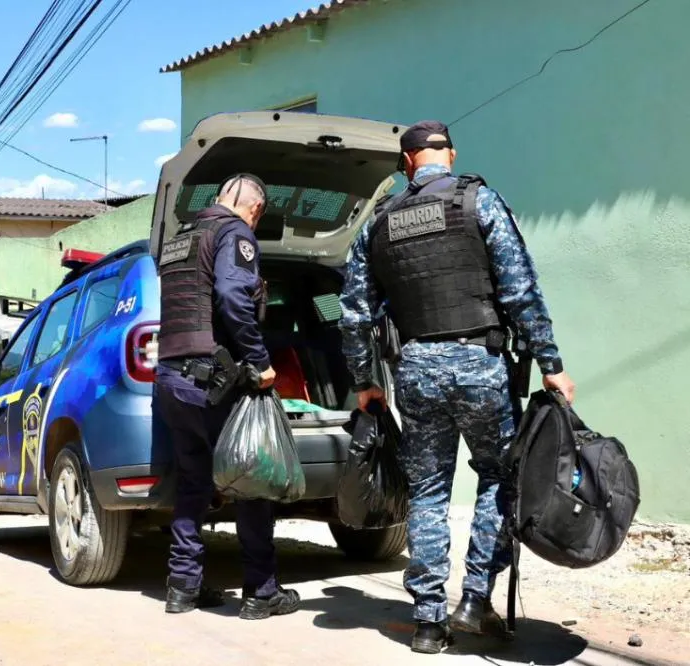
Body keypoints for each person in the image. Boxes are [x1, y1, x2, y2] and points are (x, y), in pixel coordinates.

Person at [339, 121, 576, 654]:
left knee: (427, 491)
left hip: (416, 370)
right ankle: (474, 598)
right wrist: (551, 364)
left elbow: (353, 315)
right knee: (499, 476)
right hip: (481, 364)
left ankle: (427, 622)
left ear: (407, 165)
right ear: (450, 154)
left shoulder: (378, 224)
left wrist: (364, 383)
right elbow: (520, 292)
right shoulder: (480, 202)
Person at [154, 173, 301, 620]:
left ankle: (183, 587)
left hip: (171, 380)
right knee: (252, 480)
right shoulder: (234, 233)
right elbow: (232, 296)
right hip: (211, 383)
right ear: (255, 209)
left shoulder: (182, 237)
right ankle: (261, 591)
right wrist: (259, 362)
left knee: (194, 483)